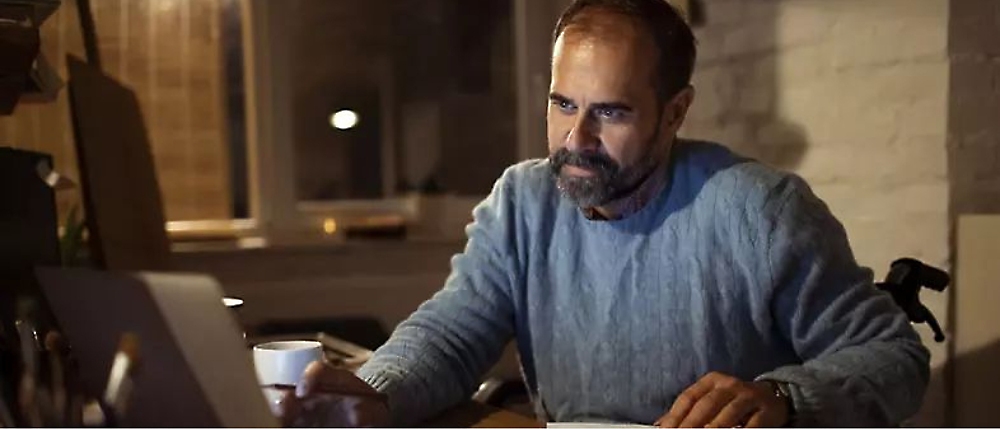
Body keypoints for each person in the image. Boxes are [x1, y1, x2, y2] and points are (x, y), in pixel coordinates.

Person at [282, 0, 930, 426]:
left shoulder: (760, 210)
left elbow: (892, 355)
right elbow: (452, 334)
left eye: (610, 112)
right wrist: (376, 387)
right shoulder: (522, 201)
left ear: (674, 112)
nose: (576, 138)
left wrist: (785, 398)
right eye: (563, 105)